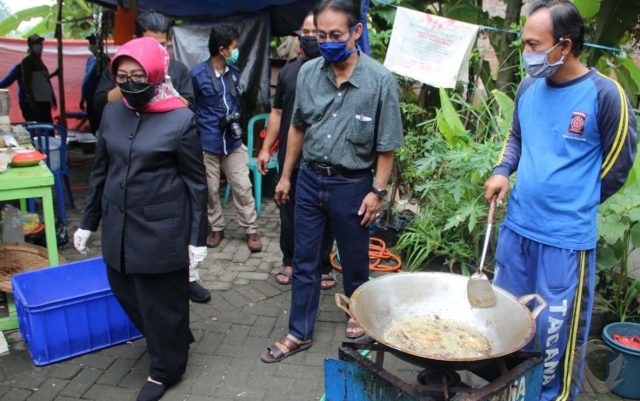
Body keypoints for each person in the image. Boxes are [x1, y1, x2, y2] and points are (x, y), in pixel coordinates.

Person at [483, 1, 637, 400]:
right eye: (524, 43)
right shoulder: (528, 86)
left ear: (564, 45)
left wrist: (572, 201)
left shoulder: (605, 96)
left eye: (534, 44)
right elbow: (517, 136)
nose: (526, 53)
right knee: (510, 321)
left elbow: (617, 167)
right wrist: (503, 170)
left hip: (565, 243)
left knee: (555, 336)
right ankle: (509, 390)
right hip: (517, 231)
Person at [261, 0, 403, 363]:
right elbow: (297, 126)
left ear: (356, 32)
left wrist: (377, 192)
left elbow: (386, 146)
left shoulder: (379, 81)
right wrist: (286, 176)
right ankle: (299, 332)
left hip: (353, 186)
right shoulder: (309, 73)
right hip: (309, 180)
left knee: (355, 260)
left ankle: (359, 316)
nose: (327, 42)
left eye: (335, 35)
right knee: (305, 259)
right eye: (321, 35)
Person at [73, 37, 208, 401]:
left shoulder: (181, 118)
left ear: (155, 73)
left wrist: (198, 238)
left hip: (162, 228)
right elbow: (101, 169)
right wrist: (89, 221)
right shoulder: (112, 113)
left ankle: (166, 369)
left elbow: (197, 184)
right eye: (123, 76)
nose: (131, 84)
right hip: (119, 226)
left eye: (139, 76)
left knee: (160, 300)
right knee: (123, 289)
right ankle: (173, 337)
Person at [93, 10, 210, 303]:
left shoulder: (179, 70)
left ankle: (187, 277)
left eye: (163, 44)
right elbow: (98, 103)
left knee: (172, 237)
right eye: (151, 43)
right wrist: (133, 82)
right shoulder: (122, 69)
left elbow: (191, 109)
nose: (158, 49)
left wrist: (163, 88)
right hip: (129, 162)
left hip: (167, 156)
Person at [257, 11, 336, 290]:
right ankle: (289, 260)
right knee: (287, 211)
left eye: (317, 32)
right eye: (307, 32)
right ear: (299, 35)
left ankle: (324, 264)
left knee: (326, 213)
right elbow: (277, 114)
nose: (311, 38)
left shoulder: (336, 72)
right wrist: (266, 148)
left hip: (325, 158)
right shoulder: (289, 72)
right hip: (291, 158)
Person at [191, 25, 263, 253]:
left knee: (242, 186)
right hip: (207, 142)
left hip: (232, 141)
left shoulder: (234, 72)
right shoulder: (197, 75)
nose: (236, 50)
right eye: (233, 47)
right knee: (210, 190)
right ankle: (217, 228)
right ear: (222, 50)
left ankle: (251, 230)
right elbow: (191, 107)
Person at [21, 34, 58, 123]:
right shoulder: (28, 61)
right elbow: (27, 83)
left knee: (48, 126)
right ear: (30, 45)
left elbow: (45, 80)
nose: (40, 45)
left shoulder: (39, 60)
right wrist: (32, 102)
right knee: (43, 129)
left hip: (45, 100)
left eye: (40, 43)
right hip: (38, 102)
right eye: (36, 43)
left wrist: (52, 97)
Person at [79, 33, 110, 133]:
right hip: (89, 98)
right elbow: (86, 79)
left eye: (93, 42)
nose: (91, 45)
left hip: (98, 98)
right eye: (90, 42)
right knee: (93, 123)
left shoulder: (104, 60)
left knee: (99, 124)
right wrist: (82, 98)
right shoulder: (90, 60)